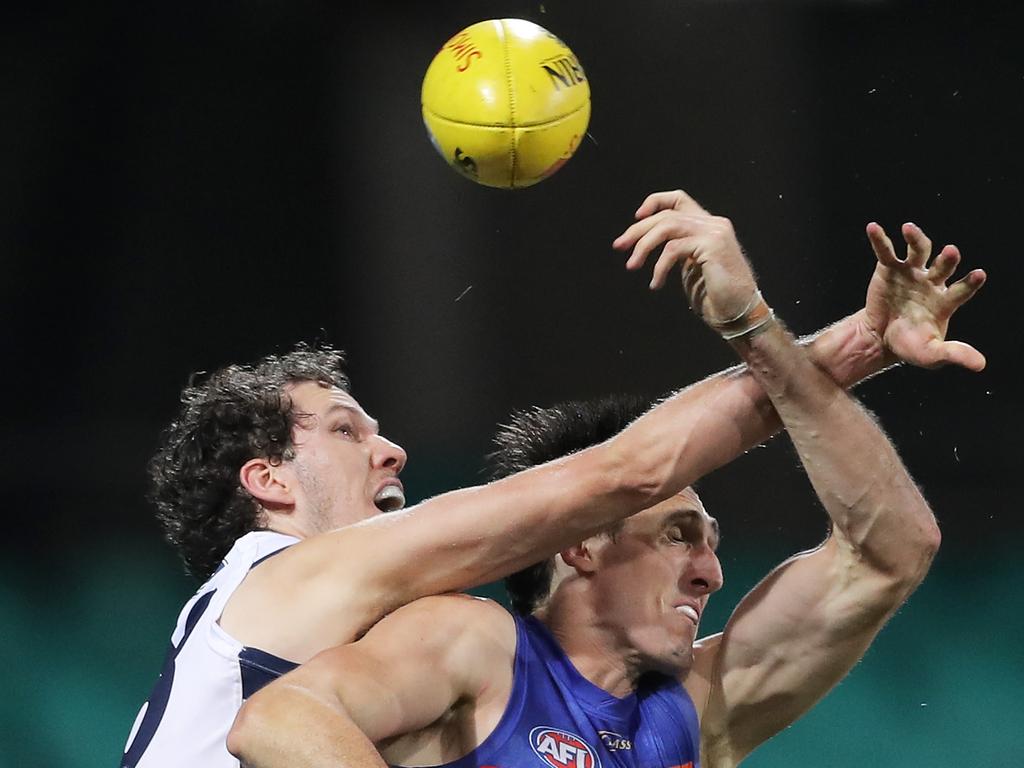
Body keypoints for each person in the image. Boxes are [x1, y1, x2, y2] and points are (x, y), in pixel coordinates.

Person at [124, 188, 983, 768]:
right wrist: (781, 327)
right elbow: (631, 470)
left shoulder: (667, 710)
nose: (394, 454)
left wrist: (856, 344)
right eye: (349, 432)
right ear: (267, 481)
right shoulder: (296, 582)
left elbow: (886, 554)